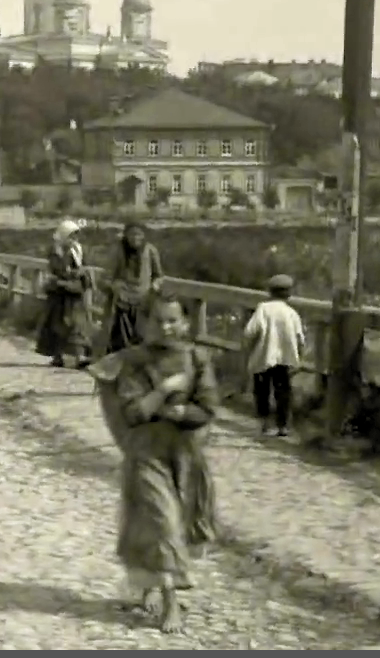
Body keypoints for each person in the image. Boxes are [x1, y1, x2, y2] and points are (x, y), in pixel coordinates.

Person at [86, 297, 220, 634]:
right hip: (146, 455)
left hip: (185, 457)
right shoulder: (132, 362)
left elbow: (207, 407)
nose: (166, 328)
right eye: (158, 321)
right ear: (144, 325)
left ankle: (147, 586)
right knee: (163, 524)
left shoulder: (196, 359)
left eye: (173, 321)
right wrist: (163, 391)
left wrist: (184, 413)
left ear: (185, 323)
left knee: (167, 524)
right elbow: (133, 412)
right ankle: (170, 603)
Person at [243, 274, 307, 437]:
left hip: (264, 356)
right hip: (285, 358)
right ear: (289, 294)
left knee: (262, 390)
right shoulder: (292, 313)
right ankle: (283, 425)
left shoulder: (263, 309)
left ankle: (264, 423)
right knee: (283, 391)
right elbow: (300, 338)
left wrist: (248, 348)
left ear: (269, 292)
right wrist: (300, 356)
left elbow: (250, 331)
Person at [36, 219, 95, 369]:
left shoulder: (78, 250)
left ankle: (80, 356)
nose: (74, 240)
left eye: (75, 236)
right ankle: (58, 356)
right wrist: (75, 273)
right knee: (58, 325)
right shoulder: (56, 252)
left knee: (78, 325)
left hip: (74, 293)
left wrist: (81, 274)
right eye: (71, 236)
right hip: (60, 293)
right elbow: (59, 271)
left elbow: (85, 267)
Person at [107, 222, 164, 355]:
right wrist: (115, 286)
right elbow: (109, 276)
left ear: (143, 235)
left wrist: (155, 285)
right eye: (131, 234)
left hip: (144, 303)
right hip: (124, 302)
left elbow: (159, 276)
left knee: (142, 338)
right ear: (126, 235)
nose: (135, 237)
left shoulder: (150, 250)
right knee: (121, 340)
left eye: (138, 234)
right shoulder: (119, 251)